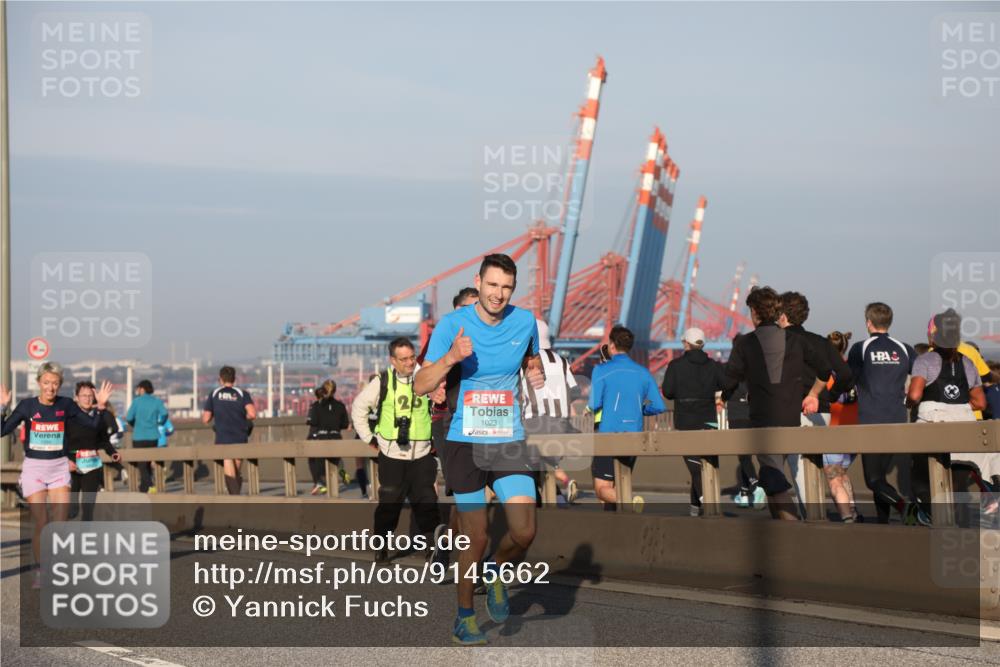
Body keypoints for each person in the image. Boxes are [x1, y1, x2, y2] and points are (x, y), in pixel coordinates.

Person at [414, 253, 545, 646]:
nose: (498, 294)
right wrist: (453, 357)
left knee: (524, 531)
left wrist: (534, 371)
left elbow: (530, 358)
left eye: (506, 287)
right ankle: (464, 617)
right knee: (476, 538)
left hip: (507, 437)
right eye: (492, 285)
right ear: (479, 282)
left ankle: (498, 572)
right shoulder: (452, 325)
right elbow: (421, 384)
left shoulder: (525, 322)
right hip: (464, 442)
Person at [722, 287, 831, 521]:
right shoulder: (795, 340)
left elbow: (729, 379)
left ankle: (794, 532)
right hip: (791, 419)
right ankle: (784, 532)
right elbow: (824, 370)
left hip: (763, 422)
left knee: (773, 480)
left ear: (754, 312)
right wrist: (813, 394)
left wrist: (724, 395)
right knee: (771, 477)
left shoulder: (745, 344)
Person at [0, 363, 113, 587]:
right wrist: (3, 407)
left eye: (55, 384)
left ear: (59, 385)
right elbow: (2, 430)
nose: (50, 388)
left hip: (59, 467)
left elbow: (91, 426)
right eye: (46, 383)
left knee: (60, 524)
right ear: (39, 383)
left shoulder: (66, 405)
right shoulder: (27, 406)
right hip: (34, 469)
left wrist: (99, 407)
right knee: (42, 521)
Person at [352, 338, 442, 563]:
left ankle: (432, 549)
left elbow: (440, 408)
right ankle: (381, 546)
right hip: (392, 455)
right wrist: (370, 438)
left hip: (422, 453)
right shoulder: (382, 381)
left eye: (412, 357)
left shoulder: (427, 376)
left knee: (427, 502)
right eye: (403, 359)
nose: (410, 363)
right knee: (389, 504)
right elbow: (358, 408)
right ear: (393, 360)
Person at [777, 292, 855, 518]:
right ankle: (844, 514)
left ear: (782, 316)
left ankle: (812, 523)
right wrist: (829, 397)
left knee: (801, 473)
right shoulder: (821, 342)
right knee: (828, 471)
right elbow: (846, 374)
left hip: (793, 413)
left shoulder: (779, 342)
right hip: (822, 414)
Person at [908, 309, 989, 522]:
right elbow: (980, 402)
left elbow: (915, 395)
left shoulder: (925, 360)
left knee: (921, 477)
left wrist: (908, 401)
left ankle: (933, 517)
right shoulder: (968, 363)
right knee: (959, 481)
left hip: (932, 423)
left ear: (934, 336)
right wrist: (957, 405)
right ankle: (962, 524)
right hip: (962, 424)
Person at [847, 302, 918, 524]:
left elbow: (850, 379)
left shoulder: (861, 347)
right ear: (889, 322)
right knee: (881, 476)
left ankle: (905, 507)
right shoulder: (905, 348)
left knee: (873, 479)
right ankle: (882, 521)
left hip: (870, 419)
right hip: (897, 418)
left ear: (868, 323)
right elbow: (919, 377)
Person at [589, 325, 666, 512]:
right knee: (618, 482)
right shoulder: (643, 372)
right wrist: (640, 409)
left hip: (609, 435)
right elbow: (659, 406)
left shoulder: (601, 370)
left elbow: (594, 403)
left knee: (602, 489)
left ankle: (631, 500)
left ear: (612, 345)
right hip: (634, 435)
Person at [662, 327, 726, 516]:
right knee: (707, 464)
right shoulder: (713, 365)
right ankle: (695, 508)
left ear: (685, 343)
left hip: (685, 421)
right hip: (709, 420)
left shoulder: (675, 366)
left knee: (695, 466)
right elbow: (726, 383)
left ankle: (709, 504)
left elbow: (668, 391)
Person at [520, 319, 579, 505]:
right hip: (559, 426)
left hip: (531, 425)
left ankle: (540, 505)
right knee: (545, 467)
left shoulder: (523, 360)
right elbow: (574, 392)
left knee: (524, 471)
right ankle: (560, 499)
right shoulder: (561, 361)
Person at [66, 381, 121, 521]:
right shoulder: (69, 416)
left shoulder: (99, 416)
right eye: (83, 395)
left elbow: (104, 439)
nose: (87, 398)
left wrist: (112, 452)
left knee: (88, 507)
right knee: (72, 509)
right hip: (71, 465)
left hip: (91, 464)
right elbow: (60, 441)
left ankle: (85, 538)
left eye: (90, 396)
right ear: (76, 397)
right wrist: (65, 460)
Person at [823, 331, 860, 522]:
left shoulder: (826, 374)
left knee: (834, 478)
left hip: (833, 431)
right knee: (843, 474)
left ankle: (846, 516)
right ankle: (853, 509)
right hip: (854, 430)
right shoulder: (852, 370)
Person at [202, 366, 257, 495]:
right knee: (236, 473)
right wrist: (240, 416)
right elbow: (252, 414)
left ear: (220, 379)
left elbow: (206, 419)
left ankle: (236, 502)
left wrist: (218, 413)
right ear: (234, 379)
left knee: (230, 473)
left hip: (223, 437)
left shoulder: (214, 394)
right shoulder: (242, 393)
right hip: (240, 436)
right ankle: (237, 498)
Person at [307, 380, 350, 495]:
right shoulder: (340, 406)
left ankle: (321, 483)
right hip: (336, 437)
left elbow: (313, 422)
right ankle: (341, 472)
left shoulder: (316, 406)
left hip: (322, 437)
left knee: (316, 460)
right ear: (335, 391)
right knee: (335, 459)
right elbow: (345, 424)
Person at [125, 379, 168, 493]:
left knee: (141, 464)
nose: (137, 391)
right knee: (148, 463)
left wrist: (135, 424)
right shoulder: (157, 401)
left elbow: (129, 418)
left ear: (142, 389)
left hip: (139, 436)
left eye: (138, 388)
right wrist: (160, 423)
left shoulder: (136, 402)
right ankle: (144, 488)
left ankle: (150, 484)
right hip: (153, 436)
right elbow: (164, 414)